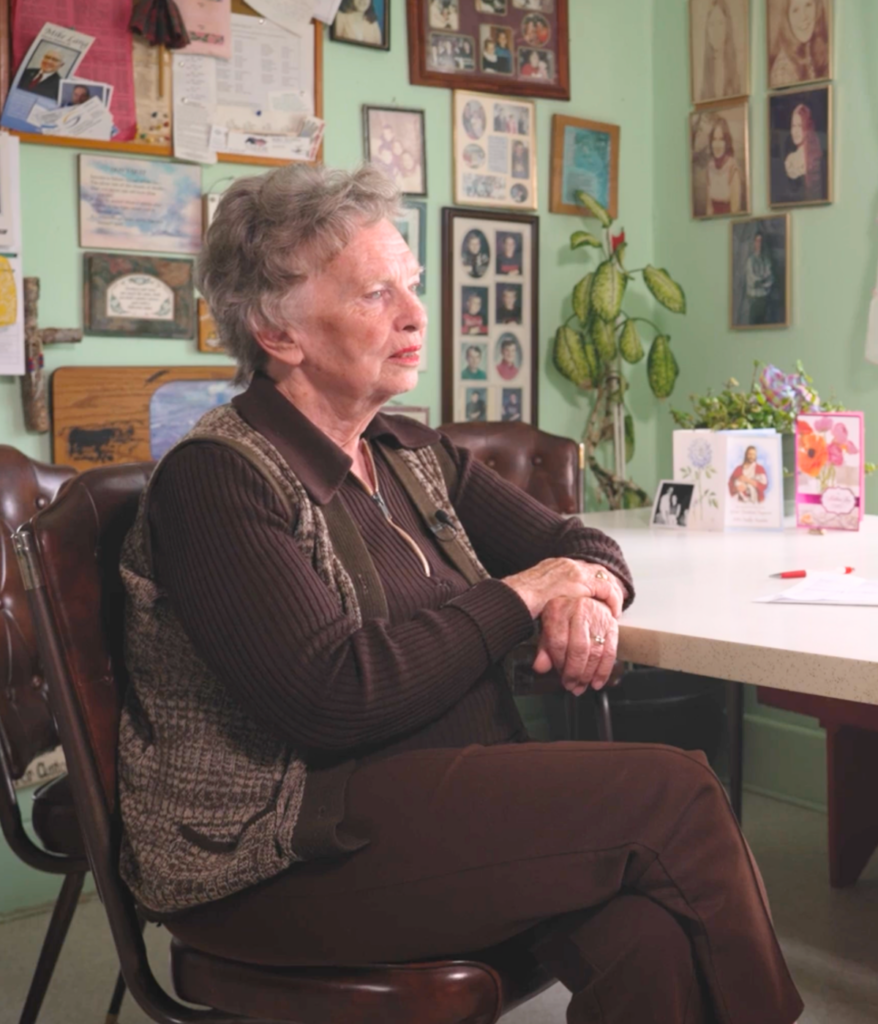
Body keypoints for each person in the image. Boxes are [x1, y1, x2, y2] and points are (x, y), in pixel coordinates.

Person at [116, 163, 803, 1024]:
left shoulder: (406, 451)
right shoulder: (218, 480)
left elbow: (576, 543)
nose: (414, 313)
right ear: (276, 331)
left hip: (434, 804)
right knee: (677, 795)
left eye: (411, 284)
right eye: (375, 294)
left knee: (652, 929)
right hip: (280, 855)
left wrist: (583, 595)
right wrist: (524, 596)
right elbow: (332, 696)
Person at [769, 0, 829, 89]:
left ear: (817, 8)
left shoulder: (815, 47)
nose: (803, 16)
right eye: (795, 10)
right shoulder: (783, 70)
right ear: (787, 18)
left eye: (808, 5)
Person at [699, 0, 741, 101]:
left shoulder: (736, 72)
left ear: (728, 27)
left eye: (721, 23)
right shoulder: (704, 75)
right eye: (712, 25)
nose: (716, 31)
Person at [783, 102, 824, 202]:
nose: (795, 131)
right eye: (793, 126)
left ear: (807, 127)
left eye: (800, 126)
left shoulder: (817, 156)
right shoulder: (791, 160)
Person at [704, 116, 743, 215]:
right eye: (714, 139)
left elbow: (735, 209)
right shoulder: (709, 167)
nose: (717, 144)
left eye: (721, 139)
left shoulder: (732, 169)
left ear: (726, 142)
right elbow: (709, 208)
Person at [744, 232, 774, 325]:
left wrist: (763, 282)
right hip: (754, 300)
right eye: (757, 241)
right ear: (754, 243)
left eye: (761, 241)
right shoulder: (750, 260)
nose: (759, 244)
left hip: (764, 299)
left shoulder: (766, 260)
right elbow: (753, 281)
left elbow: (770, 279)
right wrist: (763, 281)